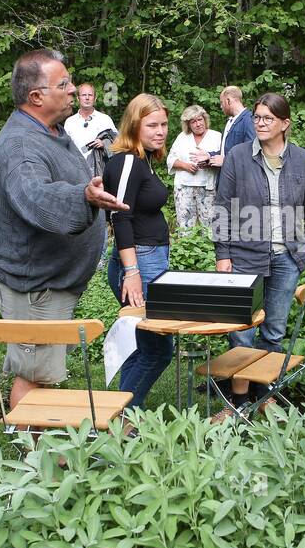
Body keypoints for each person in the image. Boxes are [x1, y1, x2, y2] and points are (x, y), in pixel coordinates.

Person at [0, 48, 127, 414]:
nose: (73, 89)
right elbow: (36, 197)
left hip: (49, 282)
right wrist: (84, 196)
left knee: (41, 370)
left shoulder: (50, 131)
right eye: (63, 84)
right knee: (32, 374)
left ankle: (45, 448)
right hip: (33, 285)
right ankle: (34, 459)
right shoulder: (19, 145)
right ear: (36, 97)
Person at [210, 92, 305, 421]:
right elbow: (222, 207)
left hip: (286, 258)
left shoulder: (302, 160)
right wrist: (222, 254)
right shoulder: (239, 156)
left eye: (267, 119)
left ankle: (264, 396)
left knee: (273, 330)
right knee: (241, 332)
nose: (259, 123)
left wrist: (304, 249)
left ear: (284, 124)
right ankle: (236, 403)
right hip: (244, 259)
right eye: (257, 117)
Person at [103, 94, 175, 410]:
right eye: (152, 125)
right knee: (159, 350)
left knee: (139, 348)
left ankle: (125, 421)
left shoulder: (143, 158)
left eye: (164, 124)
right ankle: (121, 415)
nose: (160, 131)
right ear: (134, 125)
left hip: (150, 259)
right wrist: (131, 272)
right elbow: (120, 216)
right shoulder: (128, 160)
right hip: (139, 263)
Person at [166, 104, 221, 232]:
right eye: (193, 121)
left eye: (200, 119)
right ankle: (185, 250)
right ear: (188, 124)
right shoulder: (182, 137)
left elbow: (223, 159)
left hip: (208, 188)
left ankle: (208, 251)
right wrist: (185, 166)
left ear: (205, 119)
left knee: (210, 227)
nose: (197, 124)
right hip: (184, 188)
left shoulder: (216, 136)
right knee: (185, 227)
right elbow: (170, 160)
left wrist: (208, 162)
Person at [63, 83, 117, 175]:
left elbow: (118, 143)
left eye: (90, 95)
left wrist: (104, 143)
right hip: (77, 173)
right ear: (78, 98)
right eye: (84, 95)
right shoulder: (69, 122)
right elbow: (64, 148)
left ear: (95, 98)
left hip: (101, 172)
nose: (87, 98)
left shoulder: (105, 119)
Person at [208, 85, 255, 168]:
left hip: (239, 178)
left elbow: (252, 152)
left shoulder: (249, 120)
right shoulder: (229, 121)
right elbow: (225, 151)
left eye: (221, 102)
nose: (221, 106)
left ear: (228, 101)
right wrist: (208, 156)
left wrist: (226, 161)